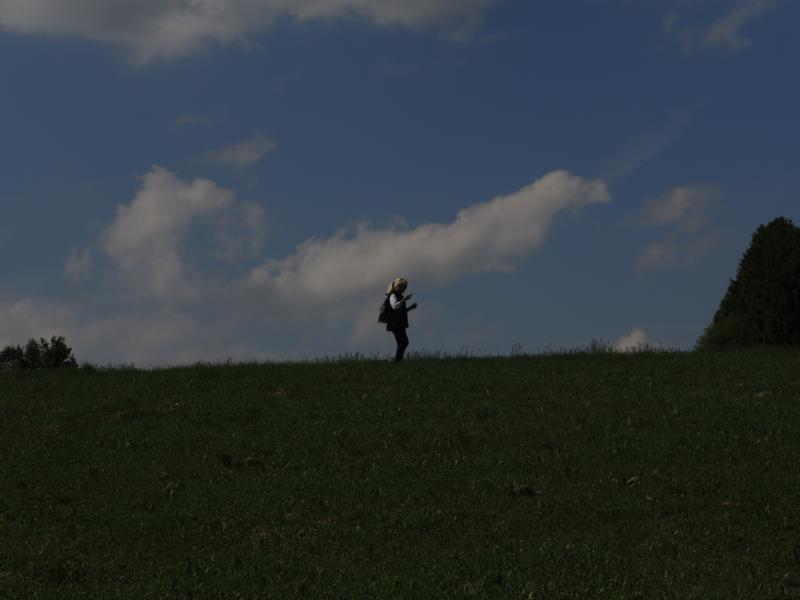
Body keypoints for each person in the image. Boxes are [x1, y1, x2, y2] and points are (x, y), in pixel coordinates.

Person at [385, 277, 418, 362]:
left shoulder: (399, 296)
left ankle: (398, 362)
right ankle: (397, 362)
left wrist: (410, 307)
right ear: (399, 286)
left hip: (399, 323)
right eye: (404, 286)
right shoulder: (393, 295)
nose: (405, 288)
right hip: (395, 323)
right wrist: (405, 299)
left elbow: (401, 311)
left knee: (403, 343)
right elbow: (395, 306)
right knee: (403, 342)